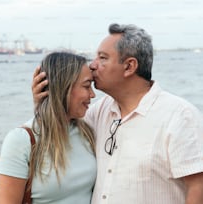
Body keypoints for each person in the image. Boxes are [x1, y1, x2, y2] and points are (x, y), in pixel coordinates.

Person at [32, 23, 203, 204]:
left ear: (129, 66)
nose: (93, 65)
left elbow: (198, 187)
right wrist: (44, 100)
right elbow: (58, 131)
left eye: (103, 58)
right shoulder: (99, 111)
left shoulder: (179, 116)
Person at [0, 52, 97, 203]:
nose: (93, 94)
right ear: (64, 87)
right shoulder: (20, 140)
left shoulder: (88, 132)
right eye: (87, 86)